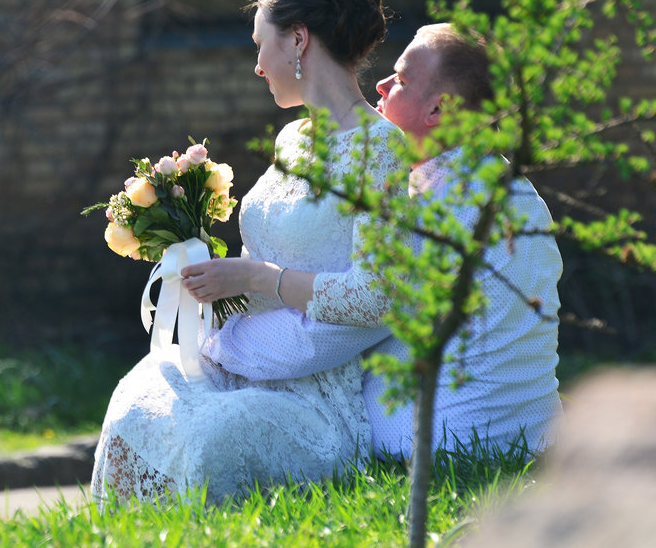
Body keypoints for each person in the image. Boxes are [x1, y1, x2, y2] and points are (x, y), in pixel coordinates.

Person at [91, 0, 407, 506]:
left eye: (262, 45)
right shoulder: (291, 139)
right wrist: (203, 272)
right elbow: (261, 253)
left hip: (316, 391)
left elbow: (379, 295)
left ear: (299, 41)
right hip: (237, 352)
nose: (258, 65)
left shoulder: (383, 150)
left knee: (217, 439)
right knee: (138, 396)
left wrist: (255, 277)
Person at [207, 23, 563, 460]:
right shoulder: (515, 189)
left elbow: (334, 330)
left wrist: (221, 339)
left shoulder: (427, 212)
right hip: (538, 433)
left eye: (401, 80)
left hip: (438, 443)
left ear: (439, 109)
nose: (380, 84)